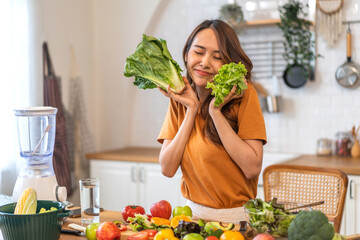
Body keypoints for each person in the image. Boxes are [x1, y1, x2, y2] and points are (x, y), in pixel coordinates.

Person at [157, 19, 267, 222]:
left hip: (236, 223)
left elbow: (252, 169)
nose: (205, 62)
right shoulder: (180, 96)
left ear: (229, 64)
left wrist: (214, 111)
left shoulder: (244, 94)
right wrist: (192, 110)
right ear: (186, 54)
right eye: (198, 52)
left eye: (217, 57)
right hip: (190, 220)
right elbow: (167, 168)